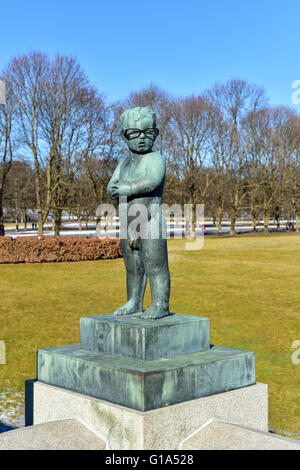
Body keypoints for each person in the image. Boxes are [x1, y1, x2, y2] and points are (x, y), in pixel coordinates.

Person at [107, 106, 170, 319]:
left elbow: (151, 181)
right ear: (124, 136)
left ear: (155, 134)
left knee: (155, 265)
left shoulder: (155, 159)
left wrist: (127, 188)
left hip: (150, 221)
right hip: (128, 224)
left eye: (148, 133)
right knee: (133, 267)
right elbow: (112, 185)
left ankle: (160, 304)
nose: (142, 139)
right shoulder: (123, 164)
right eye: (135, 133)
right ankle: (134, 301)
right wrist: (112, 189)